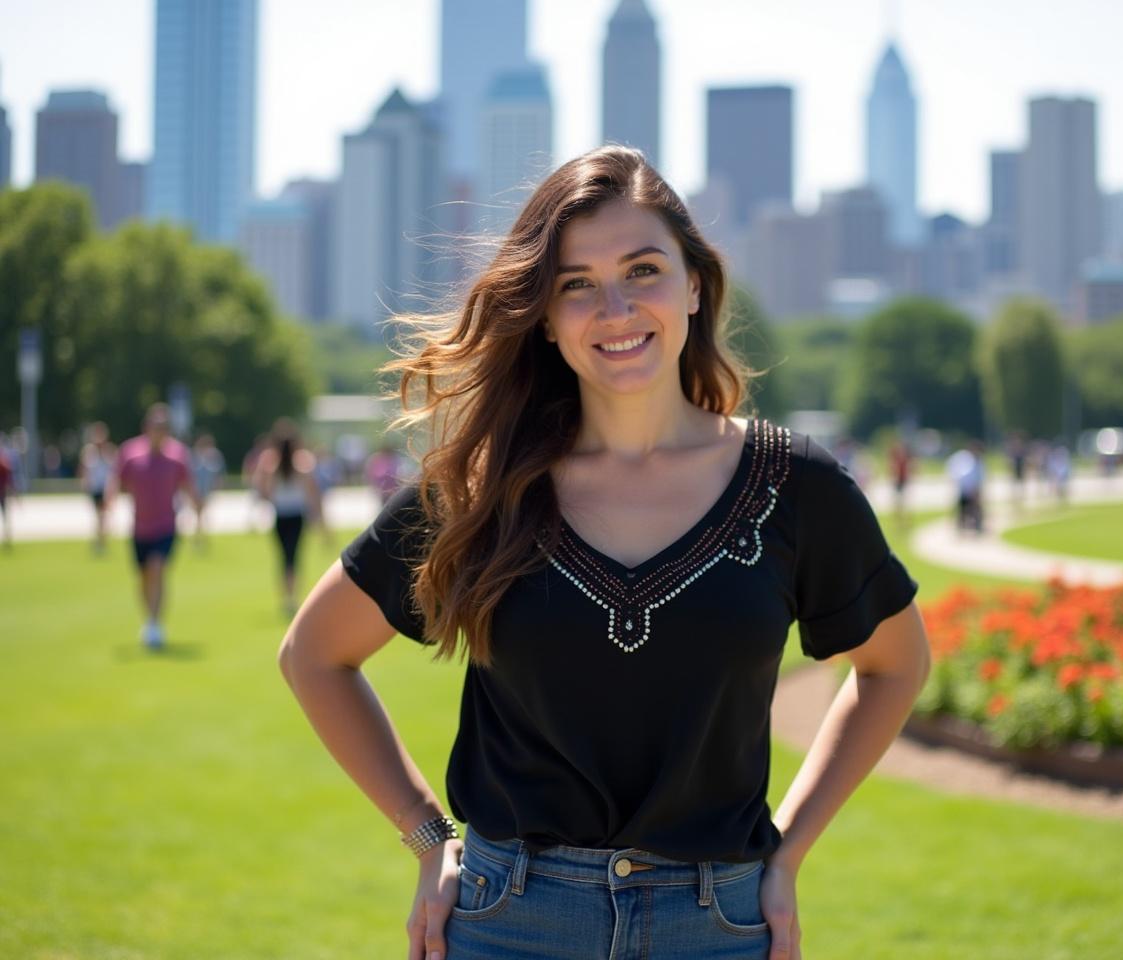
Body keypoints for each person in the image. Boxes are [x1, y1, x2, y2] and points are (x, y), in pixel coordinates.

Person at [278, 146, 930, 960]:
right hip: (505, 924)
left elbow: (895, 664)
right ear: (545, 318)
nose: (615, 308)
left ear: (695, 285)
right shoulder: (484, 489)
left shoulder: (798, 488)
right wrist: (425, 837)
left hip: (717, 930)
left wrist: (789, 850)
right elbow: (314, 653)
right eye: (576, 284)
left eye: (643, 270)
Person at [110, 403, 199, 649]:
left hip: (166, 525)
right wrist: (107, 512)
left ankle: (155, 623)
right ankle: (148, 619)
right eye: (156, 426)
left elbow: (187, 486)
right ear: (147, 427)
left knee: (158, 569)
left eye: (164, 427)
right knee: (143, 577)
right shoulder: (130, 452)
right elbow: (117, 482)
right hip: (139, 527)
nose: (159, 431)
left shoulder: (177, 455)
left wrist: (198, 510)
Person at [253, 418, 326, 616]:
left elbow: (261, 488)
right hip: (296, 514)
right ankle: (292, 596)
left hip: (281, 513)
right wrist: (319, 518)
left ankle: (287, 597)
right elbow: (312, 492)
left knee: (284, 557)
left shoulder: (271, 463)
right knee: (293, 556)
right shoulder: (302, 461)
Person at [79, 421, 117, 555]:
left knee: (102, 516)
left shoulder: (109, 451)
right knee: (99, 516)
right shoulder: (89, 452)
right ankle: (100, 540)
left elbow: (115, 470)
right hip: (94, 488)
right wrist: (84, 482)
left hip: (105, 488)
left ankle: (100, 541)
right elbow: (83, 469)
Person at [191, 433, 226, 549]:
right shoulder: (195, 456)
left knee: (201, 515)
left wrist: (216, 487)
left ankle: (200, 537)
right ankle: (200, 538)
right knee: (199, 515)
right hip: (197, 490)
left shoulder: (214, 456)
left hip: (206, 490)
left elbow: (218, 474)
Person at [0, 433, 15, 550]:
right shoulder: (5, 463)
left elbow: (9, 479)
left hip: (2, 493)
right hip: (3, 493)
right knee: (5, 517)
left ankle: (7, 538)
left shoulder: (4, 463)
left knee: (5, 517)